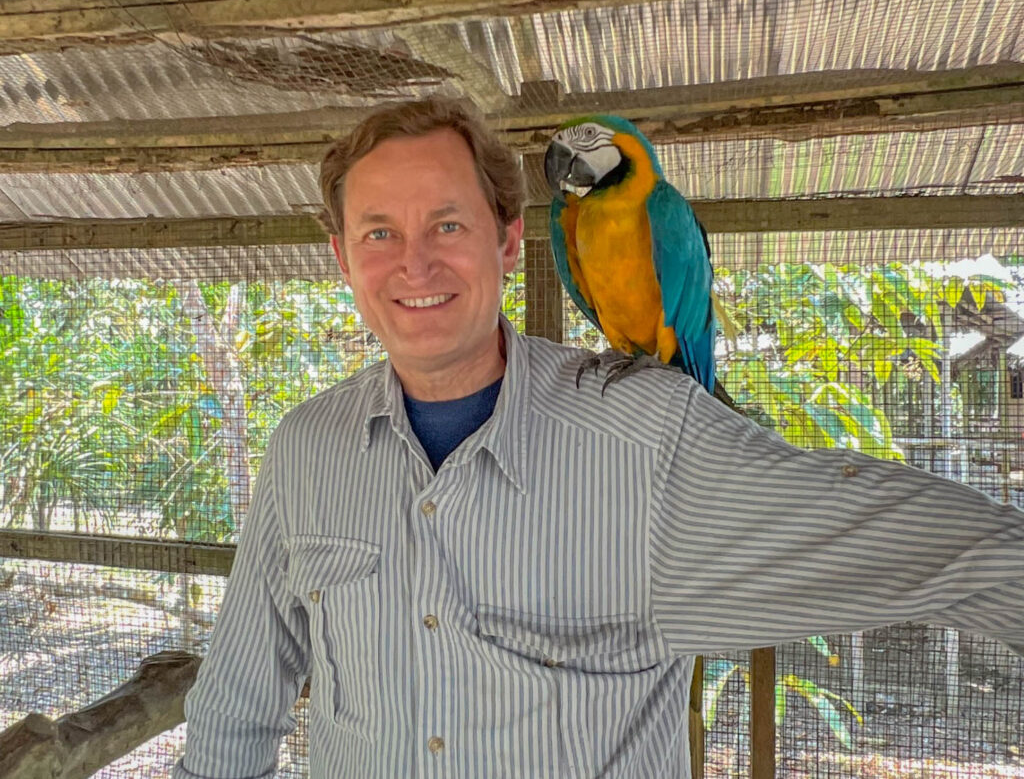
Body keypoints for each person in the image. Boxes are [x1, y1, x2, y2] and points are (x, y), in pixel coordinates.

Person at [174, 97, 1024, 779]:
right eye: (379, 233)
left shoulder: (654, 436)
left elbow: (953, 552)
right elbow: (238, 701)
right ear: (342, 257)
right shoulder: (302, 452)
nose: (415, 265)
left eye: (447, 225)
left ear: (508, 242)